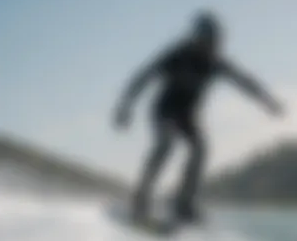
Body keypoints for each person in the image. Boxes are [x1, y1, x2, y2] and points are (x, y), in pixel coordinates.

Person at [113, 11, 284, 225]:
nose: (212, 48)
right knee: (166, 144)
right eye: (209, 42)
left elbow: (245, 81)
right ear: (198, 38)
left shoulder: (215, 63)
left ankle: (183, 205)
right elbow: (143, 76)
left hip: (187, 116)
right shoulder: (178, 54)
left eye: (216, 43)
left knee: (200, 149)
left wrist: (267, 101)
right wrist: (124, 106)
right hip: (164, 111)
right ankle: (140, 199)